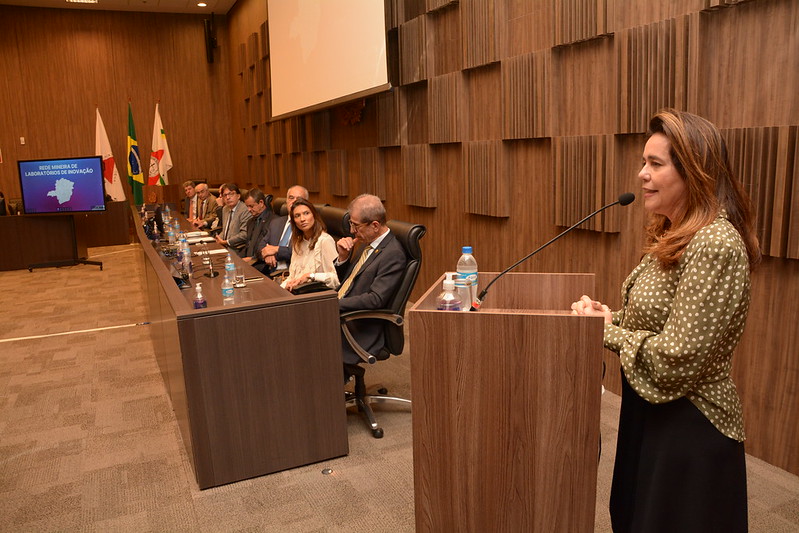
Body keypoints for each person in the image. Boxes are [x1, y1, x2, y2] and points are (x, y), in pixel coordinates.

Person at [571, 109, 760, 533]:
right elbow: (654, 321)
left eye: (655, 164)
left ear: (695, 172)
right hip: (650, 411)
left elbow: (677, 357)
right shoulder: (675, 231)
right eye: (644, 162)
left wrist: (609, 332)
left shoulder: (714, 243)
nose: (642, 174)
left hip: (689, 425)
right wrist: (609, 317)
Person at [336, 194, 407, 370]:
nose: (352, 230)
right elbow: (348, 283)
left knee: (304, 338)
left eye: (355, 225)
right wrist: (343, 258)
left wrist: (335, 304)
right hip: (342, 315)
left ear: (375, 225)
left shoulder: (393, 254)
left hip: (359, 327)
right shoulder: (368, 243)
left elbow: (375, 299)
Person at [280, 198, 339, 291]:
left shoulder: (325, 241)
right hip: (295, 292)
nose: (302, 219)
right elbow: (292, 276)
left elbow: (336, 279)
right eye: (297, 216)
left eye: (306, 213)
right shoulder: (297, 242)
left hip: (314, 296)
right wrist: (282, 288)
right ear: (294, 221)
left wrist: (310, 276)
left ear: (314, 215)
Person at [260, 185, 309, 275]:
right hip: (270, 272)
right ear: (286, 201)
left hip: (291, 274)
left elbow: (302, 252)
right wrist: (268, 254)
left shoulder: (306, 226)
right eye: (291, 198)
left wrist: (277, 250)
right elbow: (261, 245)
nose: (294, 201)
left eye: (298, 199)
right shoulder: (275, 222)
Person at [214, 183, 252, 256]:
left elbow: (244, 234)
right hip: (224, 246)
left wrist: (226, 242)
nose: (228, 197)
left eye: (231, 194)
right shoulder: (225, 209)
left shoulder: (245, 210)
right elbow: (225, 230)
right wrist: (218, 238)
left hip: (237, 249)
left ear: (238, 196)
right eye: (225, 195)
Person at [241, 188, 273, 272]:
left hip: (260, 265)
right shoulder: (250, 222)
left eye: (251, 206)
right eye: (247, 206)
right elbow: (248, 244)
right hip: (247, 263)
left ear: (261, 203)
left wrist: (251, 259)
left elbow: (267, 248)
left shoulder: (273, 221)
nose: (248, 210)